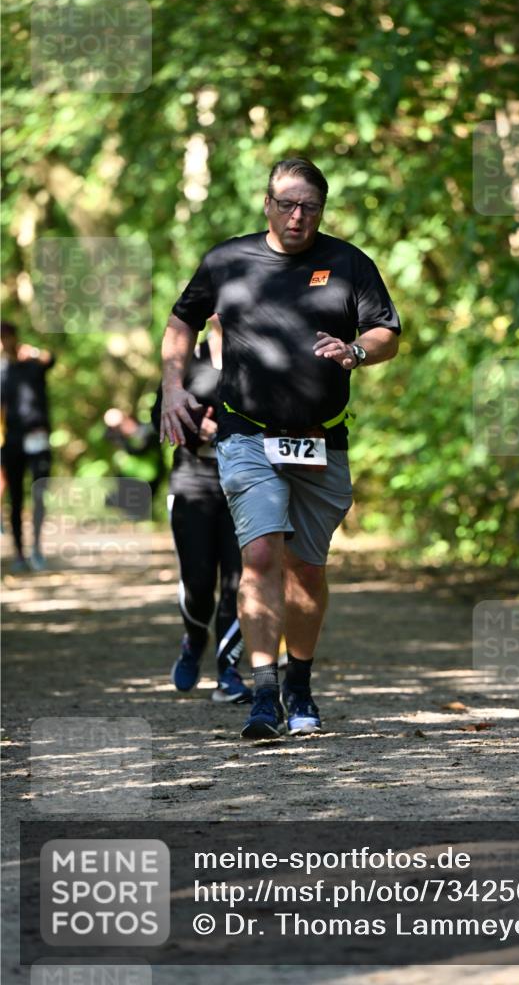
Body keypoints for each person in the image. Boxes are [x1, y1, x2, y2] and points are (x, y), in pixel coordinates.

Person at [160, 157, 400, 739]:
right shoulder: (228, 260)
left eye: (310, 207)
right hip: (247, 434)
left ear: (322, 210)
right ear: (267, 204)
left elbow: (386, 333)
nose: (298, 216)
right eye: (287, 204)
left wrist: (356, 351)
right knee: (262, 554)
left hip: (322, 439)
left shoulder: (349, 263)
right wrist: (172, 386)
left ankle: (300, 684)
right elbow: (182, 320)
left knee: (306, 570)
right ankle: (264, 695)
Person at [152, 315, 252, 704]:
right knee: (198, 583)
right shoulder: (186, 361)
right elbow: (158, 415)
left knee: (238, 581)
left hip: (246, 481)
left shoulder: (257, 357)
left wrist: (228, 427)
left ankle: (229, 672)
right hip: (193, 482)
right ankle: (194, 640)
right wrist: (197, 426)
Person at [0, 321, 55, 572]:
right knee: (16, 498)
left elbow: (51, 359)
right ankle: (19, 554)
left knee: (39, 493)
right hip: (12, 439)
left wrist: (31, 352)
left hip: (37, 435)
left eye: (6, 337)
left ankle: (37, 548)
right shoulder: (2, 371)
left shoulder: (33, 364)